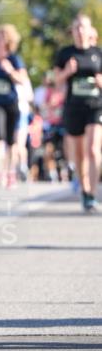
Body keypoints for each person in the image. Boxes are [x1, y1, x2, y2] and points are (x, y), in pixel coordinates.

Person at [53, 13, 102, 212]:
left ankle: (93, 192)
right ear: (72, 31)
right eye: (77, 27)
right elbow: (56, 81)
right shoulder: (65, 54)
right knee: (79, 155)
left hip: (96, 105)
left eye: (84, 27)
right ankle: (85, 192)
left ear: (90, 30)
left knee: (93, 149)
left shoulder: (98, 53)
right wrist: (67, 72)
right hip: (73, 107)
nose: (81, 31)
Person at [0, 24, 30, 187]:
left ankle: (10, 172)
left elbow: (22, 79)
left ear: (8, 41)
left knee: (11, 141)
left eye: (2, 38)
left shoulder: (14, 59)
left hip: (11, 103)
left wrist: (10, 71)